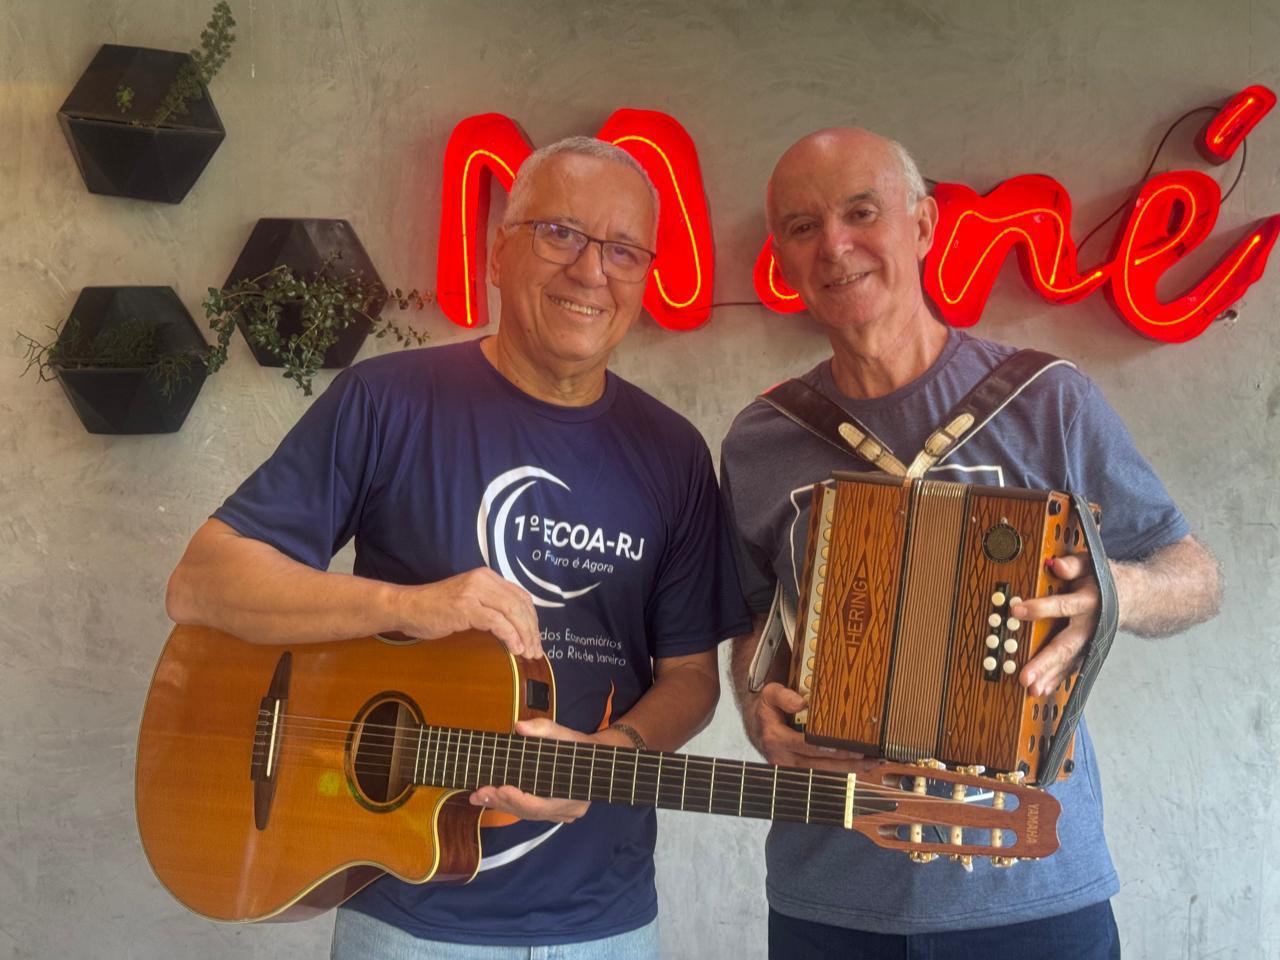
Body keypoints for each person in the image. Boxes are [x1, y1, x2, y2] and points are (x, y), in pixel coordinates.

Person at [166, 136, 751, 958]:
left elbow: (690, 677)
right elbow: (202, 581)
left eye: (624, 250)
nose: (591, 270)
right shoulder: (389, 401)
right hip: (403, 916)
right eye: (561, 233)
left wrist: (606, 758)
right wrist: (406, 605)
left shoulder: (675, 453)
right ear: (498, 252)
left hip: (607, 924)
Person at [720, 127, 1223, 959]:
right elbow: (752, 622)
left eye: (861, 212)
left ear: (921, 225)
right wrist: (756, 708)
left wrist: (1115, 594)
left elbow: (1196, 577)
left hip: (1031, 889)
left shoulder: (1048, 401)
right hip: (832, 892)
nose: (834, 246)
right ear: (782, 258)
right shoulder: (760, 439)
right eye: (803, 227)